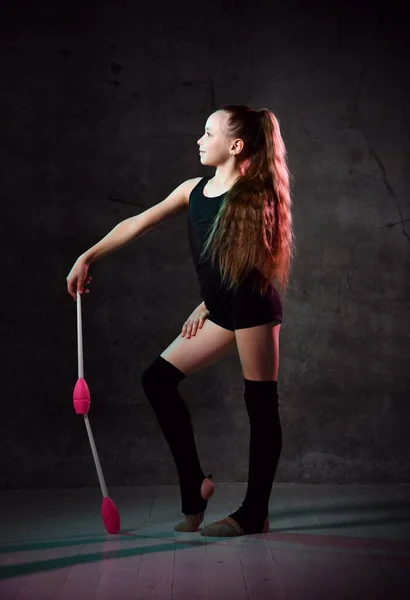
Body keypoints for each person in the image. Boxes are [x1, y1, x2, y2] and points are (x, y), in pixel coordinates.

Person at [66, 105, 295, 537]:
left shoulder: (255, 192)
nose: (199, 140)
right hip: (222, 308)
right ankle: (194, 485)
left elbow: (252, 264)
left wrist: (209, 303)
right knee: (157, 380)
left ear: (236, 145)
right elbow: (137, 222)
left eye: (209, 133)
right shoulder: (192, 190)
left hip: (252, 311)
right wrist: (87, 256)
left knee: (260, 405)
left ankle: (254, 513)